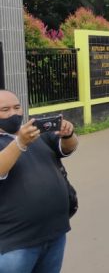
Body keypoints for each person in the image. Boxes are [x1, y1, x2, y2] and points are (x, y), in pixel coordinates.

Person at [0, 90, 79, 273]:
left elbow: (68, 148)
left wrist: (68, 134)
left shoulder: (36, 132)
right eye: (5, 109)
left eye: (17, 107)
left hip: (55, 233)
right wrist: (20, 143)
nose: (14, 113)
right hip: (15, 244)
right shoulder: (25, 137)